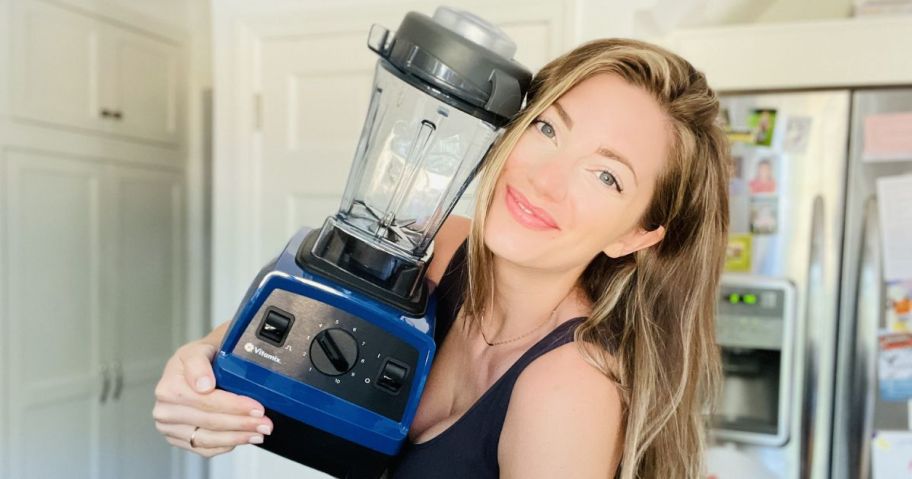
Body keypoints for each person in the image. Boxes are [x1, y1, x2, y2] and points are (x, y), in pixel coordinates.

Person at [153, 38, 730, 478]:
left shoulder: (568, 391)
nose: (544, 181)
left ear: (634, 236)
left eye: (606, 175)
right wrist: (198, 373)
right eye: (549, 129)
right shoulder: (442, 247)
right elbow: (273, 331)